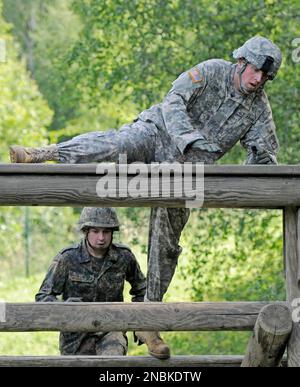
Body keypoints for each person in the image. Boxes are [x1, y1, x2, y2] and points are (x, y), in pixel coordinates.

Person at [14, 36, 282, 356]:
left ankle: (148, 318)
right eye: (255, 71)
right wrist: (187, 138)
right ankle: (44, 152)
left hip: (185, 175)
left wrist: (257, 177)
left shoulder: (258, 109)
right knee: (119, 144)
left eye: (265, 77)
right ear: (241, 62)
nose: (258, 80)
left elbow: (264, 154)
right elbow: (174, 100)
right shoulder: (211, 71)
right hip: (156, 134)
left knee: (166, 245)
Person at [35, 207, 169, 359]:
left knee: (111, 361)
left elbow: (142, 290)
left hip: (112, 329)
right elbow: (44, 296)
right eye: (95, 231)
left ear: (112, 233)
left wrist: (139, 322)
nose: (101, 238)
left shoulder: (123, 257)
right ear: (86, 232)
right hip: (76, 335)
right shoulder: (67, 258)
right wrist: (66, 307)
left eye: (106, 232)